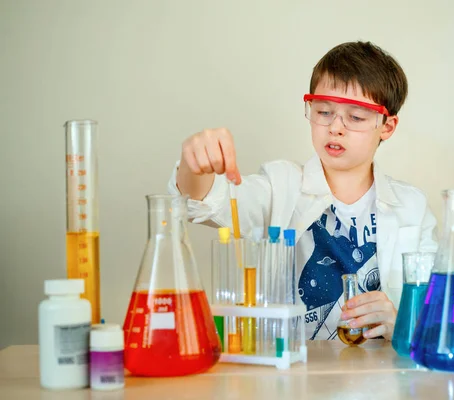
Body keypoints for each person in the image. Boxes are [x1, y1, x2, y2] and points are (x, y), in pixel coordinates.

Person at [168, 41, 438, 341]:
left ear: (386, 126)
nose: (335, 127)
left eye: (356, 117)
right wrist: (195, 164)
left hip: (382, 378)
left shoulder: (411, 206)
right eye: (323, 111)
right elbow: (203, 201)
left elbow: (438, 318)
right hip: (291, 375)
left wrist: (401, 323)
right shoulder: (280, 185)